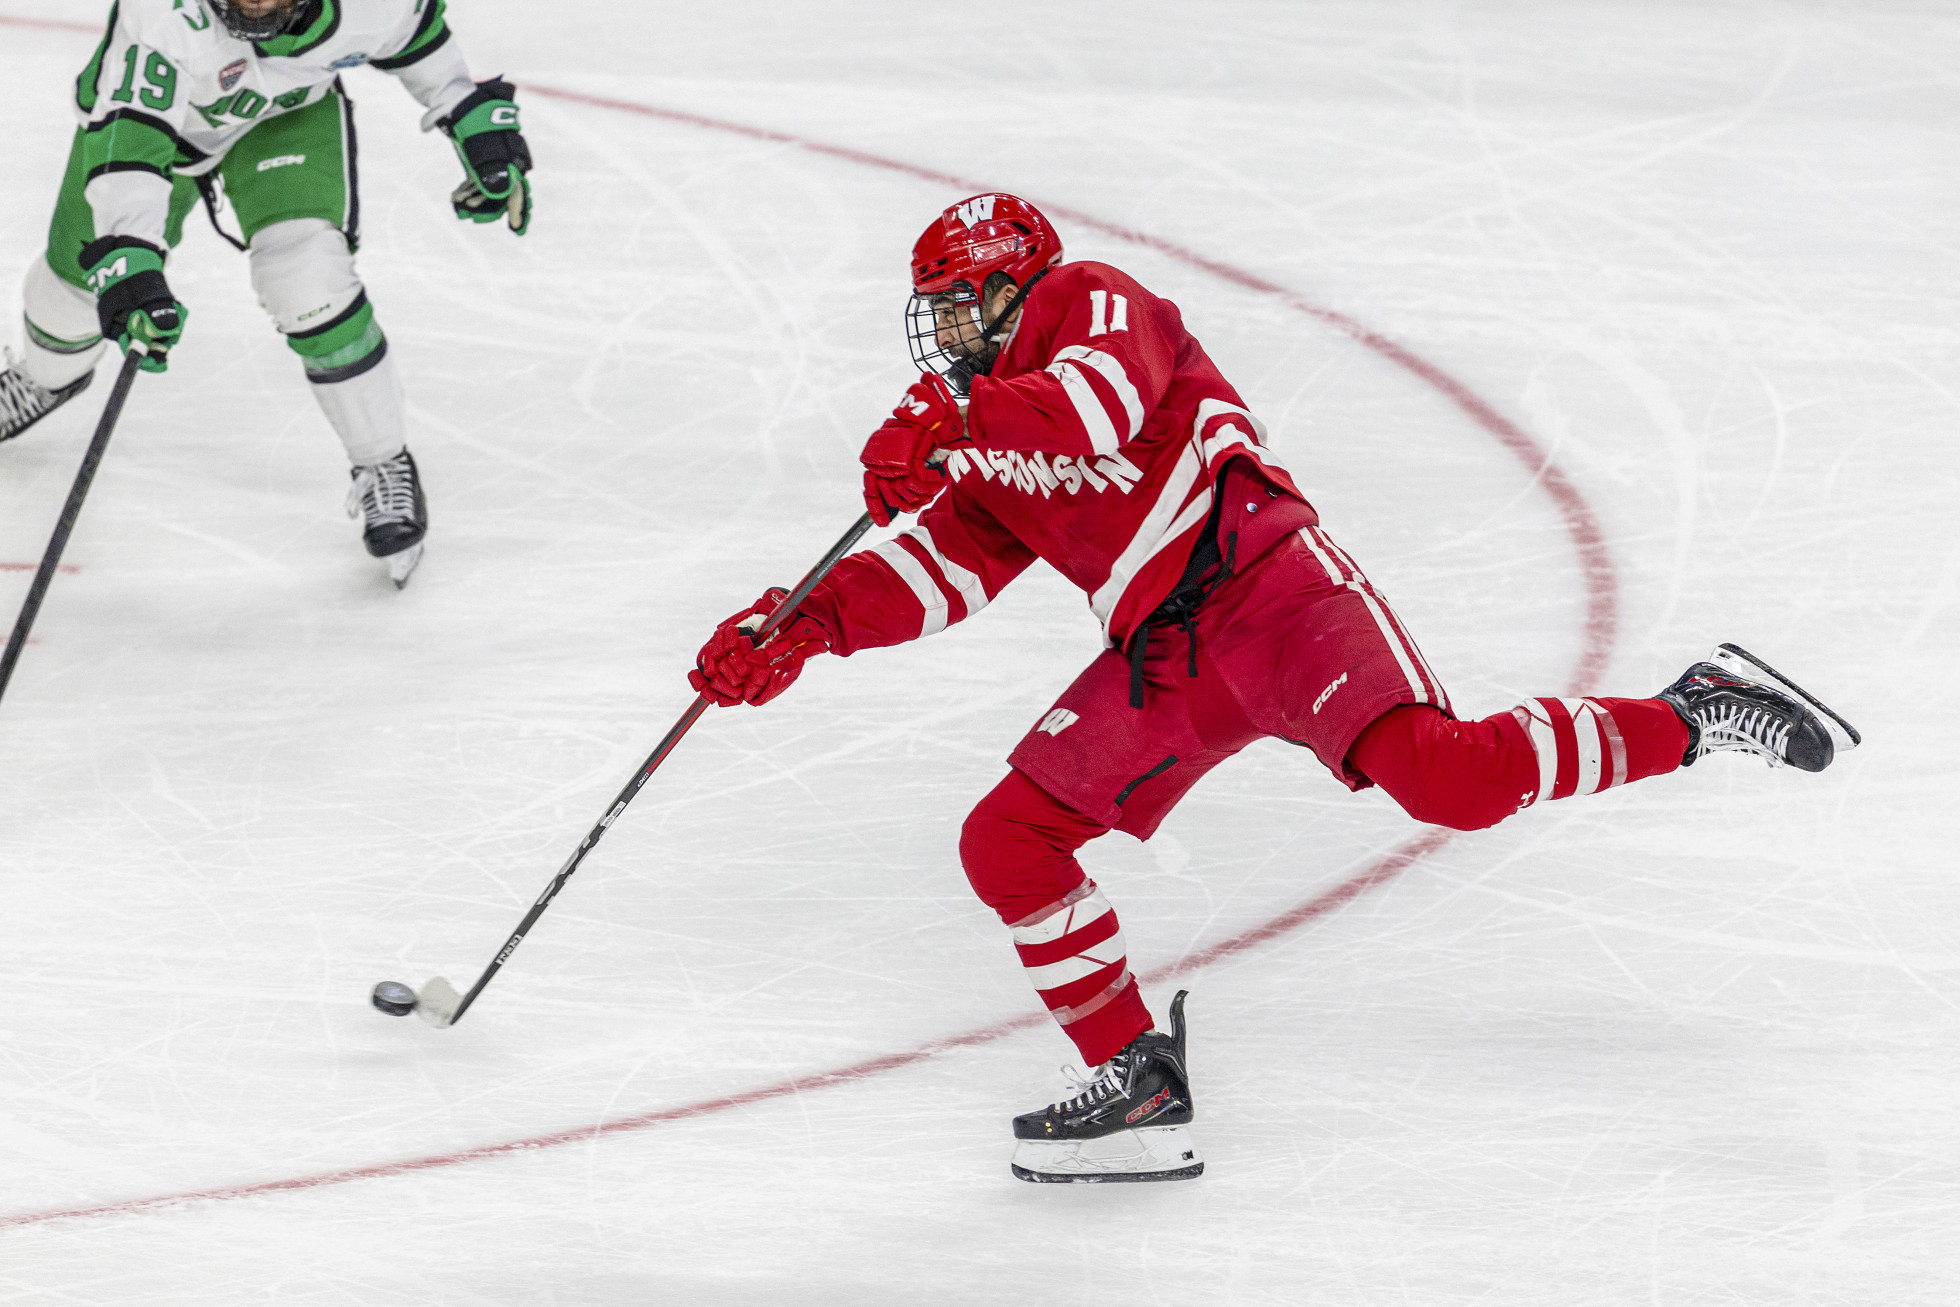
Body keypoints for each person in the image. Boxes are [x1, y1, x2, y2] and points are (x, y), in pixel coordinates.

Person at [689, 194, 1861, 1183]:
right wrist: (800, 626)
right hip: (1165, 652)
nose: (941, 336)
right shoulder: (984, 424)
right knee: (1008, 839)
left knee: (1447, 781)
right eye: (933, 318)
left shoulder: (1089, 300)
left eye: (956, 307)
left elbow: (1097, 404)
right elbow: (946, 561)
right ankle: (1137, 1073)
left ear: (1007, 287)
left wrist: (954, 419)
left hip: (1273, 592)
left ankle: (1693, 709)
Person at [0, 0, 535, 588]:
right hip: (157, 138)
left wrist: (471, 117)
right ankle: (44, 377)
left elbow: (418, 37)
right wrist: (130, 259)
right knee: (72, 298)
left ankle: (382, 458)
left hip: (286, 116)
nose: (254, 4)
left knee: (308, 278)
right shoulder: (161, 14)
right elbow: (130, 141)